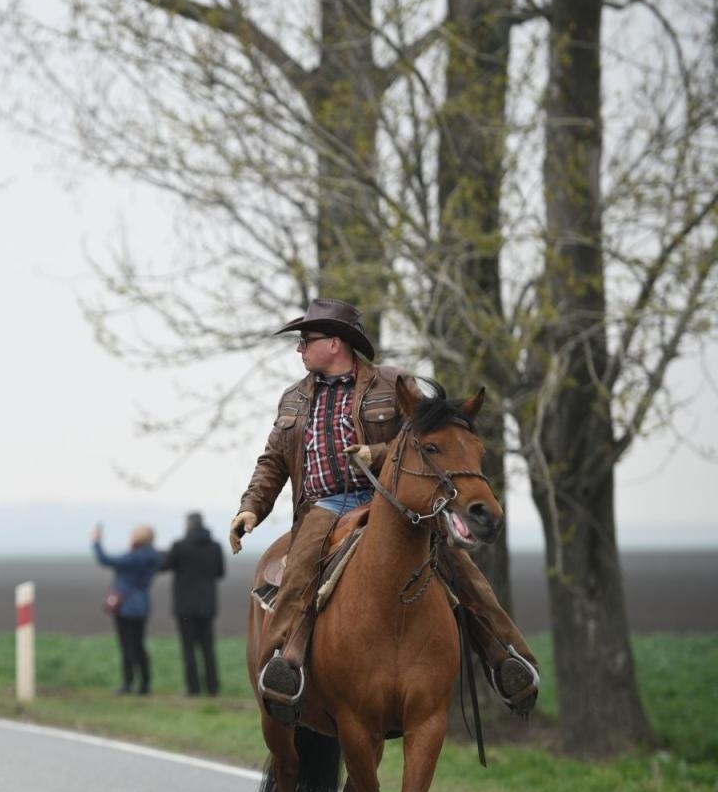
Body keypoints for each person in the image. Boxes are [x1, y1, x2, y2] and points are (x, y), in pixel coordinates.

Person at [230, 298, 540, 723]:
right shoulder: (293, 400)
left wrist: (375, 453)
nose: (300, 349)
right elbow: (273, 460)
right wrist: (251, 508)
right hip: (322, 505)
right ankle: (282, 665)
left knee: (461, 569)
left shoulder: (393, 385)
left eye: (307, 340)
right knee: (300, 570)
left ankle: (506, 657)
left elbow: (426, 440)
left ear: (335, 343)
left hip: (388, 502)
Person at [158, 511, 225, 696]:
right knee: (208, 649)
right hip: (207, 606)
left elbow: (162, 566)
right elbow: (220, 572)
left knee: (189, 649)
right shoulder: (216, 546)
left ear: (188, 524)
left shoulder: (179, 546)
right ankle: (213, 688)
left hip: (185, 607)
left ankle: (193, 688)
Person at [92, 524, 161, 695]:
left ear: (140, 538)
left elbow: (106, 560)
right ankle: (145, 684)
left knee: (127, 646)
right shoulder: (153, 556)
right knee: (139, 645)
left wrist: (96, 542)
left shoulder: (135, 557)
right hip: (143, 604)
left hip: (127, 605)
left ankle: (128, 683)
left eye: (134, 533)